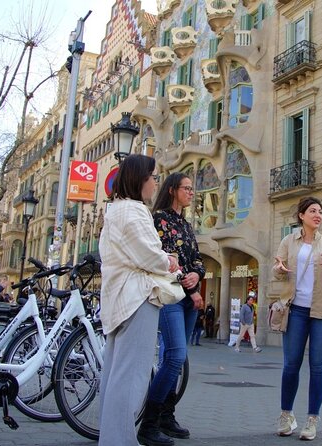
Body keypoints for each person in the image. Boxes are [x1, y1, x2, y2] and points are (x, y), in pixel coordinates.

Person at [97, 154, 179, 446]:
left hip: (119, 299)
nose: (156, 182)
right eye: (154, 176)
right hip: (137, 298)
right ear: (140, 178)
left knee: (116, 375)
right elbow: (146, 254)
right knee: (132, 377)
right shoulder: (133, 211)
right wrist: (169, 261)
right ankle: (119, 440)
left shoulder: (116, 210)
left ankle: (113, 438)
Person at [138, 172, 205, 446]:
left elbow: (197, 259)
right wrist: (190, 285)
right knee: (175, 356)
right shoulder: (159, 220)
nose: (191, 192)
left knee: (175, 360)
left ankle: (167, 416)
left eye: (192, 188)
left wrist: (197, 278)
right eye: (186, 188)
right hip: (170, 297)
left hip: (188, 299)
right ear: (172, 190)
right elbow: (163, 260)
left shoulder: (187, 225)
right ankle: (148, 423)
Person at [272, 196, 322, 441]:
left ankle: (312, 420)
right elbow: (278, 269)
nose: (318, 215)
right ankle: (286, 415)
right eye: (312, 211)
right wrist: (279, 270)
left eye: (320, 211)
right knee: (290, 365)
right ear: (301, 216)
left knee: (318, 367)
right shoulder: (288, 240)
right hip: (296, 311)